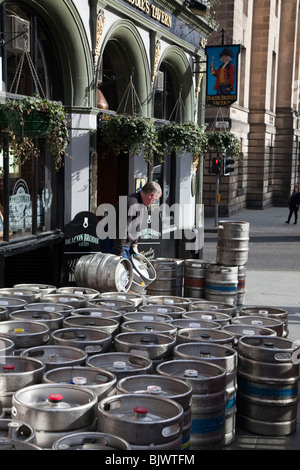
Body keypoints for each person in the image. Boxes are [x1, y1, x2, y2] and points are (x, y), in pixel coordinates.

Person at [99, 181, 162, 258]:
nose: (153, 202)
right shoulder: (131, 204)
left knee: (132, 268)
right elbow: (121, 229)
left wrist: (134, 245)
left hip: (123, 241)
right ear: (151, 195)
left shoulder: (142, 205)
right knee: (122, 268)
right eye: (155, 199)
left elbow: (136, 226)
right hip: (112, 241)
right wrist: (119, 253)